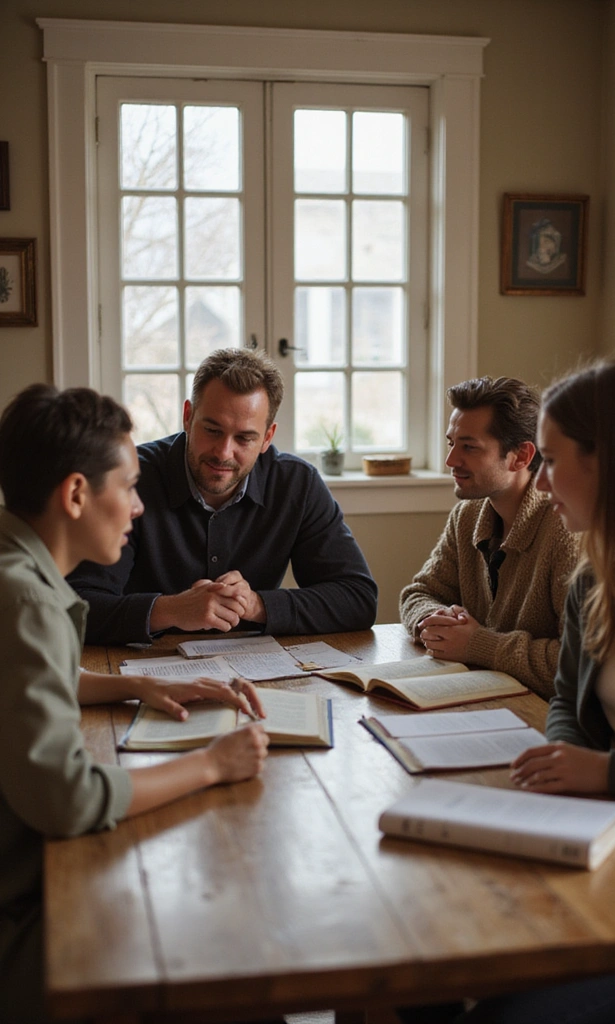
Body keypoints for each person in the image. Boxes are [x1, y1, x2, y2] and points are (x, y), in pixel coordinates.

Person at [0, 384, 270, 1024]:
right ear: (74, 495)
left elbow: (32, 679)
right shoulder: (27, 601)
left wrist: (141, 684)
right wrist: (212, 764)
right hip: (24, 909)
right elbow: (67, 800)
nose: (140, 507)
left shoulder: (16, 566)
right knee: (228, 943)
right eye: (128, 486)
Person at [459, 357, 615, 1023]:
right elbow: (567, 700)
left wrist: (605, 772)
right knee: (428, 973)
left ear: (613, 463)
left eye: (554, 458)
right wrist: (561, 765)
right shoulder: (594, 581)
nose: (539, 480)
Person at [68, 348, 377, 645]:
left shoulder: (297, 484)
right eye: (213, 430)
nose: (223, 452)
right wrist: (171, 610)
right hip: (142, 674)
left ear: (267, 437)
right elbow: (75, 608)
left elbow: (358, 599)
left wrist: (256, 604)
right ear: (188, 416)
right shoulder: (132, 479)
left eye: (244, 438)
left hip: (255, 674)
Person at [400, 376, 580, 698]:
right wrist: (434, 621)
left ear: (522, 456)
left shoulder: (565, 532)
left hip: (542, 717)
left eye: (469, 447)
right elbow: (419, 592)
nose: (451, 461)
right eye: (451, 442)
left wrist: (479, 645)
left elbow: (578, 666)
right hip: (479, 698)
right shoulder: (467, 516)